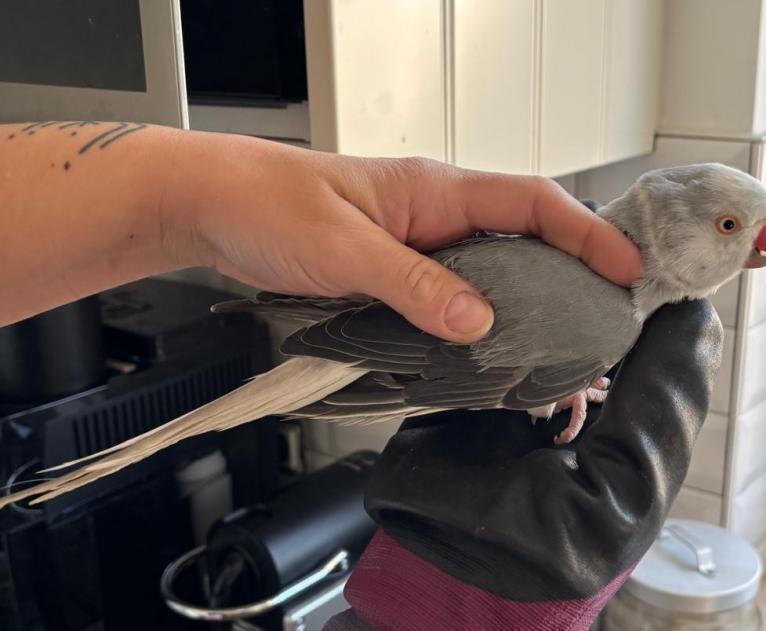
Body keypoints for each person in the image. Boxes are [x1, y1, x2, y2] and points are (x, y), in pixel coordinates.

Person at [0, 122, 721, 630]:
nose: (749, 243)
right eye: (726, 225)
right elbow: (448, 357)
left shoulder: (597, 306)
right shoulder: (611, 322)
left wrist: (199, 200)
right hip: (387, 341)